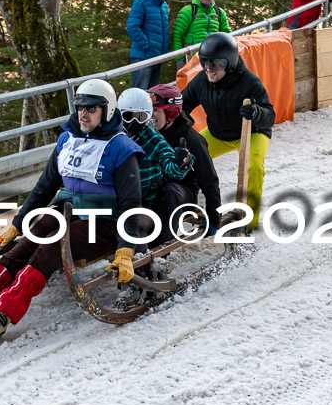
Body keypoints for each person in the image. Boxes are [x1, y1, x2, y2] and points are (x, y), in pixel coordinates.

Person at [0, 80, 144, 341]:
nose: (84, 113)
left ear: (108, 110)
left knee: (49, 249)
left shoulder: (122, 148)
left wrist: (126, 250)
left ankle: (3, 313)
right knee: (24, 246)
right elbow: (45, 187)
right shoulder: (68, 140)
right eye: (80, 107)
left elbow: (132, 204)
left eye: (92, 108)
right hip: (67, 211)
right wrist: (18, 224)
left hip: (104, 223)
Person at [181, 32, 275, 230]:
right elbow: (182, 105)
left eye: (216, 64)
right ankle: (188, 206)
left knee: (254, 168)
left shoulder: (249, 82)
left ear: (229, 63)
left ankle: (250, 220)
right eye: (205, 63)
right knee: (188, 159)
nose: (209, 69)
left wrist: (256, 111)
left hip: (252, 133)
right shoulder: (201, 81)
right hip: (218, 133)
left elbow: (270, 115)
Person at [115, 87, 193, 307]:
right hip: (115, 201)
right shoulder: (113, 136)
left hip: (143, 202)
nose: (133, 123)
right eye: (128, 116)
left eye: (141, 117)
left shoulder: (152, 138)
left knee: (135, 224)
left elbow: (168, 163)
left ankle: (133, 280)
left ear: (148, 117)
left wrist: (180, 163)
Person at [148, 84, 222, 243]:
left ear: (171, 113)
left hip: (180, 192)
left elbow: (209, 179)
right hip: (152, 187)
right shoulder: (146, 133)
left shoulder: (191, 139)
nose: (150, 116)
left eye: (156, 110)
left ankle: (159, 250)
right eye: (148, 110)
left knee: (169, 192)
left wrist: (214, 217)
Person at [171, 0, 231, 72]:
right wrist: (180, 61)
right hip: (192, 59)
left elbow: (227, 34)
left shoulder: (220, 13)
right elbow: (176, 36)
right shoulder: (188, 11)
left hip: (214, 58)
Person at [127, 0, 170, 90]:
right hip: (142, 58)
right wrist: (147, 45)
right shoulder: (141, 2)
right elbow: (132, 27)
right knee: (140, 95)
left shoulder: (164, 5)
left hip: (157, 58)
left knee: (153, 97)